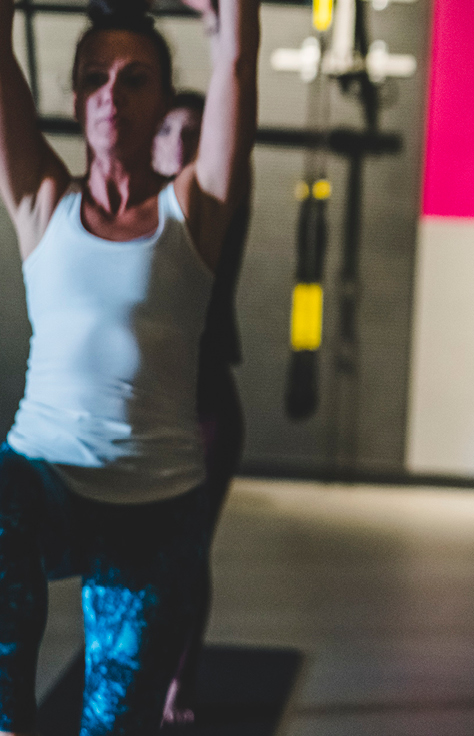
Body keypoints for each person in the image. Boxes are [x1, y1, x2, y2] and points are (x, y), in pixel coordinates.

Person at [0, 0, 258, 730]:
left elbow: (236, 61)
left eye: (136, 78)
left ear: (164, 103)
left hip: (153, 507)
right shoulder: (41, 201)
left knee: (115, 722)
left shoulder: (197, 207)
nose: (113, 92)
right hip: (41, 480)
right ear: (78, 99)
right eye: (97, 78)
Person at [151, 48, 254, 729]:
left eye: (194, 132)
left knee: (187, 549)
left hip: (208, 408)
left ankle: (178, 684)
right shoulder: (122, 206)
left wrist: (226, 36)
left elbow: (237, 137)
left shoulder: (218, 206)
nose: (182, 142)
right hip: (147, 407)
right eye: (169, 131)